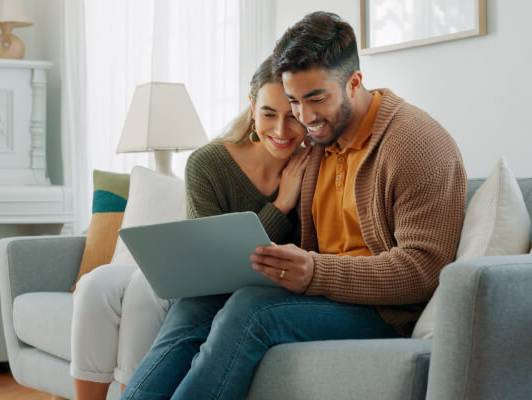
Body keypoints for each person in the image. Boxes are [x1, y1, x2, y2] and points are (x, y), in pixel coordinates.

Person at [120, 11, 467, 400]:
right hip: (324, 295)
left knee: (252, 309)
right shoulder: (318, 144)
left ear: (354, 83)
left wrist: (316, 272)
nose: (304, 117)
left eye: (316, 98)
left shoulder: (415, 144)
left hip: (384, 310)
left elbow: (425, 269)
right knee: (196, 303)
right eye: (292, 101)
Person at [70, 55, 310, 400]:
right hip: (201, 284)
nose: (282, 130)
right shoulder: (209, 163)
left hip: (254, 292)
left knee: (142, 290)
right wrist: (281, 205)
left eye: (293, 116)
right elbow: (212, 267)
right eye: (269, 113)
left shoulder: (312, 166)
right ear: (252, 106)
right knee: (103, 285)